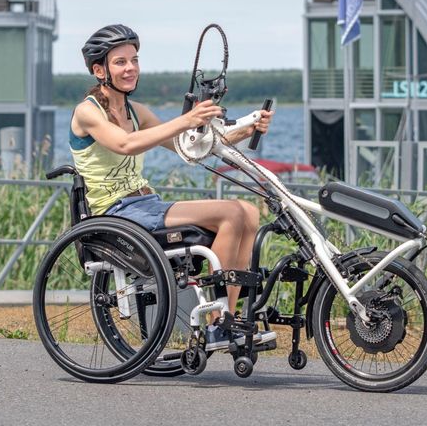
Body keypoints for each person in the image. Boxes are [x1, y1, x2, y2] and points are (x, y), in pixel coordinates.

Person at [70, 24, 276, 350]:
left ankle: (229, 319)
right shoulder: (87, 112)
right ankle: (218, 323)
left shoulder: (136, 112)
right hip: (116, 213)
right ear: (100, 70)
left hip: (147, 204)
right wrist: (185, 119)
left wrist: (249, 124)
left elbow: (190, 146)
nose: (131, 68)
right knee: (230, 214)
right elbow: (124, 144)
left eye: (134, 60)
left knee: (247, 212)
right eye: (120, 62)